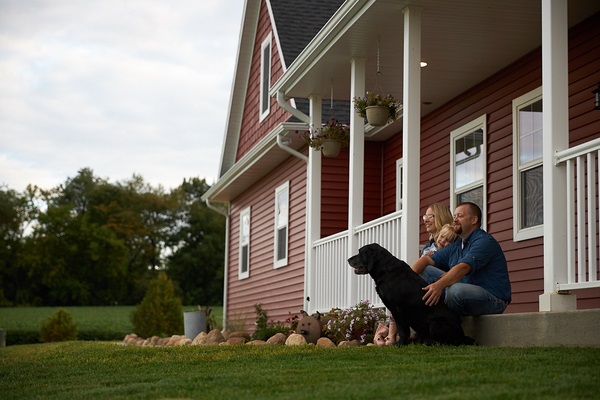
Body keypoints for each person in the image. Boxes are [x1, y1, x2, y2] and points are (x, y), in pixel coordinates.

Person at [411, 202, 511, 317]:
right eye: (454, 216)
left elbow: (463, 267)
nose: (455, 220)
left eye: (460, 216)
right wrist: (406, 277)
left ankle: (448, 326)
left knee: (455, 291)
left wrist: (438, 285)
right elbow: (427, 260)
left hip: (493, 299)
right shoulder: (457, 244)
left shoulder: (484, 241)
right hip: (465, 290)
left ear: (474, 220)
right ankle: (429, 321)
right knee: (425, 270)